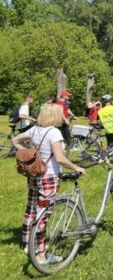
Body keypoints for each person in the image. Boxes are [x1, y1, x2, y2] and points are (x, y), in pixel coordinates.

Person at [12, 104, 85, 262]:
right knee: (43, 215)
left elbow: (15, 140)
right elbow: (59, 158)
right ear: (55, 116)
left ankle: (27, 244)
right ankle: (40, 254)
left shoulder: (34, 130)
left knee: (31, 209)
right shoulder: (54, 132)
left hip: (34, 175)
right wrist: (76, 167)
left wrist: (28, 153)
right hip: (48, 177)